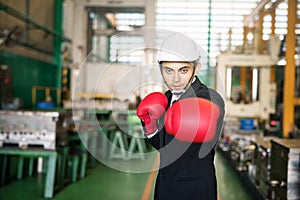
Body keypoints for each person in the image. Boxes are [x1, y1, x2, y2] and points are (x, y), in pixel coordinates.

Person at [137, 32, 225, 200]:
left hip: (194, 191)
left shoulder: (209, 97)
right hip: (165, 187)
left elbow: (206, 122)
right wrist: (150, 126)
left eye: (183, 70)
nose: (175, 79)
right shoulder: (166, 98)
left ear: (196, 68)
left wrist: (183, 116)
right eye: (168, 71)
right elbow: (164, 146)